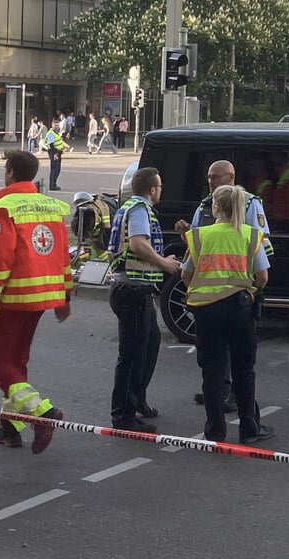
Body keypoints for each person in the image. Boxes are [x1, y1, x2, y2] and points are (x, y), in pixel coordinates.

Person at [0, 150, 71, 453]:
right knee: (16, 359)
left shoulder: (4, 208)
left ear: (10, 172)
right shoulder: (53, 207)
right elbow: (62, 255)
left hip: (13, 295)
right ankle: (10, 427)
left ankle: (42, 414)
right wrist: (64, 295)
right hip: (44, 295)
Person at [174, 160, 273, 414]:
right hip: (219, 298)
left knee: (230, 357)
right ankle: (223, 397)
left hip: (234, 295)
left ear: (231, 177)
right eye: (208, 177)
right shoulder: (205, 204)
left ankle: (224, 405)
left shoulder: (250, 203)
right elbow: (197, 242)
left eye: (215, 177)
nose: (210, 181)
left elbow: (260, 245)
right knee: (218, 359)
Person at [107, 167, 180, 432]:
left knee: (150, 344)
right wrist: (164, 263)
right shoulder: (140, 209)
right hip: (132, 290)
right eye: (159, 187)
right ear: (152, 189)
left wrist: (162, 262)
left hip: (136, 289)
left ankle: (137, 400)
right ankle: (123, 416)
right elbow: (138, 244)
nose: (160, 191)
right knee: (133, 354)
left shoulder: (131, 206)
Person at [45, 119, 70, 191]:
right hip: (53, 152)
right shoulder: (50, 133)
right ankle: (52, 185)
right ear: (52, 125)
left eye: (57, 125)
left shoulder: (56, 133)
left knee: (57, 169)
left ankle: (54, 184)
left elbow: (59, 142)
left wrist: (63, 148)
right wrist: (55, 154)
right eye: (55, 125)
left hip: (58, 152)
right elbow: (51, 145)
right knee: (54, 169)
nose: (57, 126)